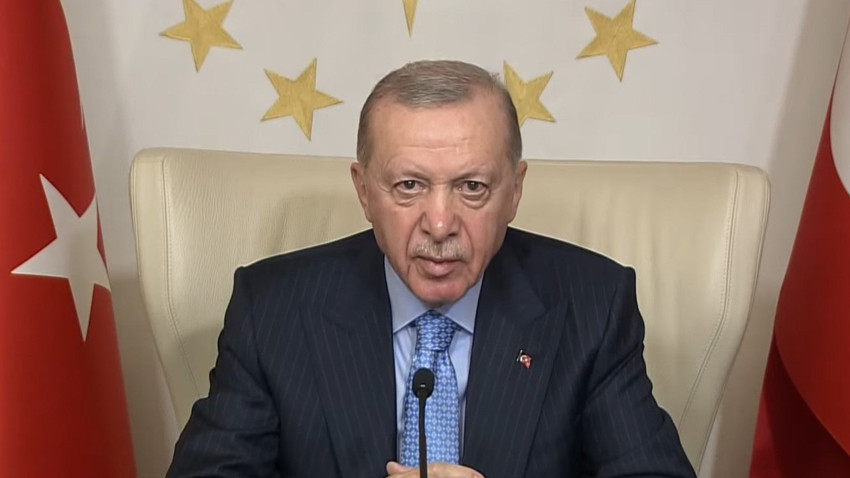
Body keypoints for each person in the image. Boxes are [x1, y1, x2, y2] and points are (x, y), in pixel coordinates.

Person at [166, 60, 695, 478]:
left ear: (514, 192)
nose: (440, 225)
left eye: (472, 187)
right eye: (409, 186)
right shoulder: (272, 309)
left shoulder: (592, 306)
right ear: (363, 191)